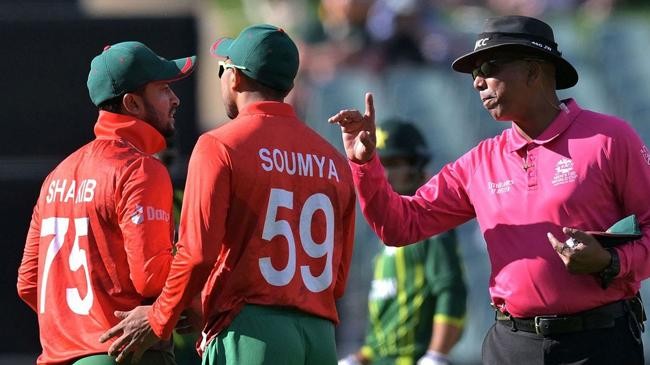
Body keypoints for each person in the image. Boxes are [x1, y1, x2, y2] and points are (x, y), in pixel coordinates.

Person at [329, 15, 650, 365]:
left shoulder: (610, 139)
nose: (477, 82)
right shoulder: (479, 162)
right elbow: (399, 225)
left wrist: (610, 261)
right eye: (473, 73)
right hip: (511, 347)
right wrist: (365, 164)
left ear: (534, 70)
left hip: (600, 343)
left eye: (489, 67)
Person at [99, 24, 357, 365]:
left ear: (234, 78)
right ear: (288, 84)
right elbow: (337, 280)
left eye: (223, 68)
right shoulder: (334, 161)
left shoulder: (219, 146)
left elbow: (197, 254)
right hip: (320, 337)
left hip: (251, 333)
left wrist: (159, 317)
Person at [16, 41, 196, 365]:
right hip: (121, 354)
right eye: (163, 89)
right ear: (132, 103)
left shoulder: (56, 176)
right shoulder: (141, 169)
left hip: (57, 356)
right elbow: (151, 277)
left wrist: (75, 329)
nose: (175, 99)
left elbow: (29, 283)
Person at [339, 120, 467, 365]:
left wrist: (437, 354)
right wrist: (362, 357)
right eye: (380, 163)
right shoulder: (384, 235)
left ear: (416, 167)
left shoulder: (433, 230)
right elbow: (387, 318)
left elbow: (452, 291)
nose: (384, 173)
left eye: (393, 163)